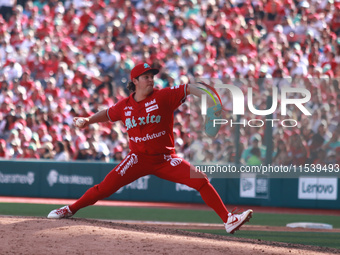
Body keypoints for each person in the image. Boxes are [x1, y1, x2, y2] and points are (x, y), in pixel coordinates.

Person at [47, 63, 253, 234]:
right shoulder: (125, 105)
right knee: (103, 188)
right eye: (145, 76)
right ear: (134, 81)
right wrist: (88, 120)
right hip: (137, 159)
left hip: (165, 159)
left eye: (152, 76)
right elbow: (108, 113)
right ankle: (70, 209)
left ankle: (229, 219)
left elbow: (190, 88)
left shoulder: (163, 96)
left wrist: (210, 98)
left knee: (200, 180)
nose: (151, 79)